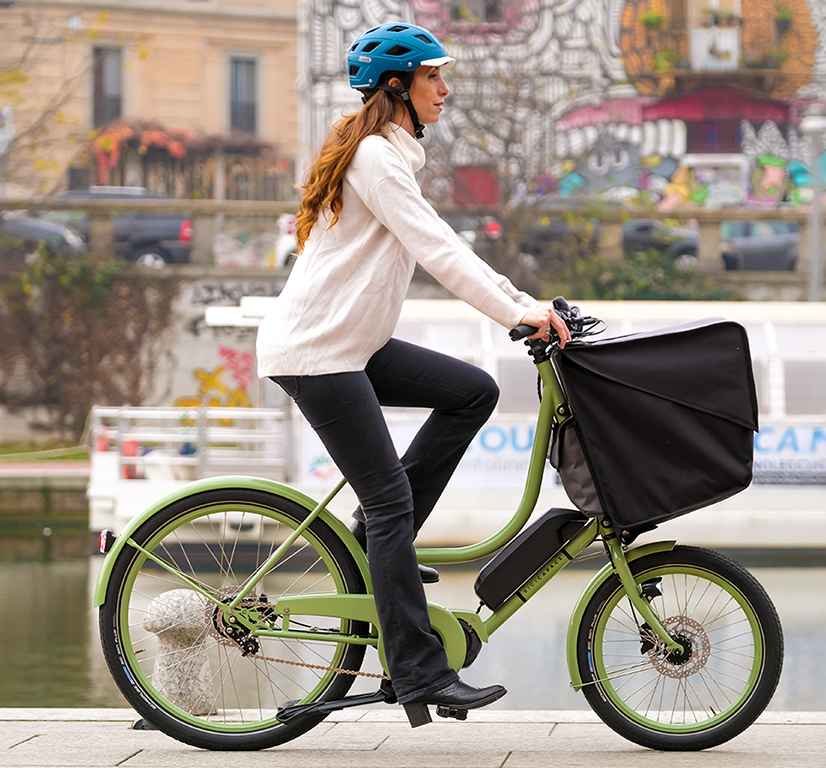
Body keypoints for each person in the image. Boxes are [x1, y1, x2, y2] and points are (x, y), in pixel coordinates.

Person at [256, 22, 569, 727]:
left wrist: (525, 305)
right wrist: (516, 313)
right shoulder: (375, 157)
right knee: (393, 504)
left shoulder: (386, 154)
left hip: (351, 344)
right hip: (319, 353)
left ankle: (376, 549)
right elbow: (440, 249)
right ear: (397, 86)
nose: (445, 89)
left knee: (472, 391)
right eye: (434, 77)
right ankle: (421, 671)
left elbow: (443, 246)